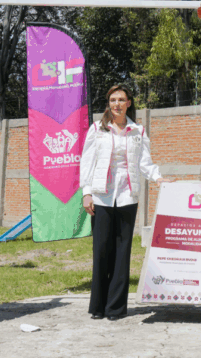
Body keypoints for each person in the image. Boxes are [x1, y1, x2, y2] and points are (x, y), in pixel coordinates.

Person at [80, 85, 170, 321]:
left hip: (128, 197)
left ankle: (115, 308)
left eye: (121, 100)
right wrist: (86, 193)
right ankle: (98, 307)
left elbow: (145, 163)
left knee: (122, 252)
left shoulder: (138, 131)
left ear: (129, 103)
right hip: (102, 196)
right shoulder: (97, 130)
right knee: (101, 251)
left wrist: (159, 178)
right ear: (108, 103)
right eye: (112, 100)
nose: (116, 104)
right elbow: (86, 162)